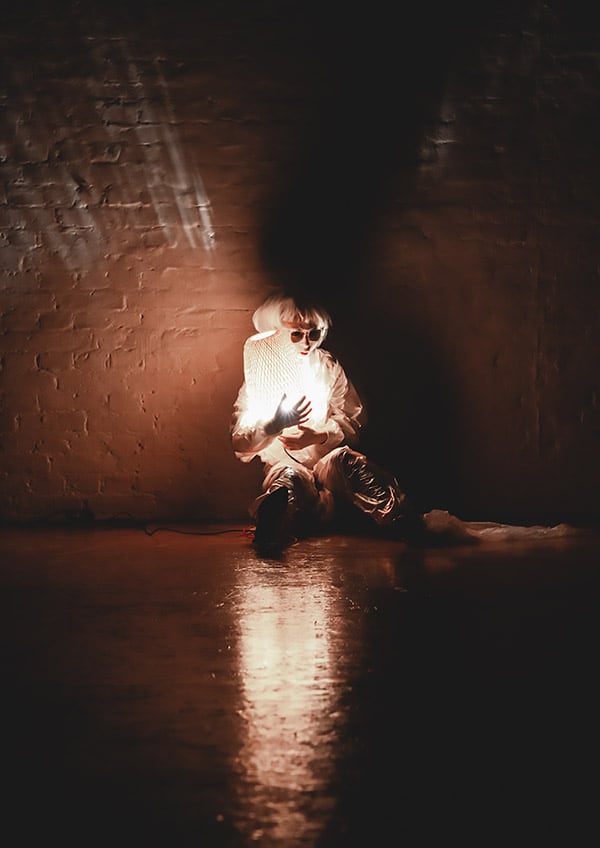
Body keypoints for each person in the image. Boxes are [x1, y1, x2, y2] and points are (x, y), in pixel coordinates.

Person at [231, 292, 424, 555]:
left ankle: (405, 522)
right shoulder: (262, 375)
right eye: (296, 334)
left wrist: (318, 436)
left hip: (326, 465)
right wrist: (272, 426)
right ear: (276, 331)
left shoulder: (328, 367)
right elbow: (240, 441)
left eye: (314, 333)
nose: (307, 342)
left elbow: (351, 418)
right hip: (285, 463)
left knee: (348, 462)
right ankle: (273, 527)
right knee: (288, 479)